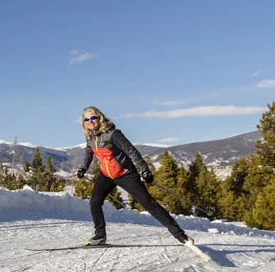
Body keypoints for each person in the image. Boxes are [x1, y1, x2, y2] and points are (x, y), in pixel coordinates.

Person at [74, 106, 191, 247]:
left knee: (149, 204)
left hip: (125, 173)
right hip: (106, 174)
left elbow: (131, 151)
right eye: (87, 119)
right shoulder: (90, 137)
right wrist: (82, 168)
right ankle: (100, 236)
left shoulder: (113, 134)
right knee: (95, 202)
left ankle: (180, 235)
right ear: (83, 122)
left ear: (100, 118)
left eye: (93, 117)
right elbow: (89, 154)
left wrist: (144, 169)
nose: (90, 121)